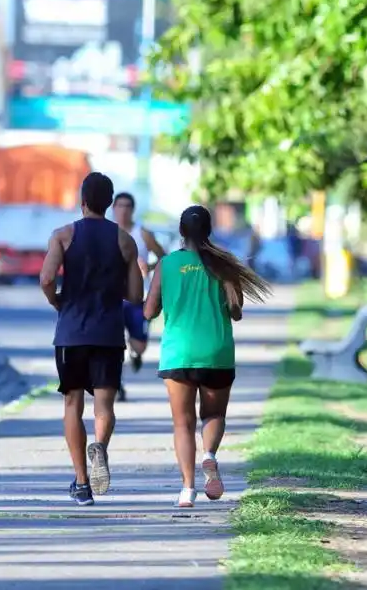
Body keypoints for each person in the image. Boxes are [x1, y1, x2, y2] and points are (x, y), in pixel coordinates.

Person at [143, 205, 271, 508]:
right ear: (209, 231)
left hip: (179, 354)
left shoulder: (167, 264)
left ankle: (187, 490)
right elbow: (236, 312)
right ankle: (209, 456)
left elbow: (149, 312)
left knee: (182, 424)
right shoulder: (223, 265)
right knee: (213, 415)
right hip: (217, 351)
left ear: (181, 232)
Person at [39, 172, 145, 507]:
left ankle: (82, 483)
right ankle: (99, 445)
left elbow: (45, 279)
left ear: (82, 200)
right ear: (111, 203)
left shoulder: (63, 235)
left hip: (71, 333)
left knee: (72, 404)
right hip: (109, 333)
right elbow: (135, 294)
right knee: (105, 405)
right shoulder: (125, 240)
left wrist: (58, 300)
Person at [112, 191, 166, 401]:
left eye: (127, 206)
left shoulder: (142, 233)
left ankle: (135, 355)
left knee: (139, 345)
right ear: (113, 209)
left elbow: (163, 257)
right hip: (113, 299)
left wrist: (149, 266)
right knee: (114, 344)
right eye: (119, 206)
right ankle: (117, 385)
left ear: (132, 210)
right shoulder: (108, 232)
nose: (123, 210)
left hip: (137, 297)